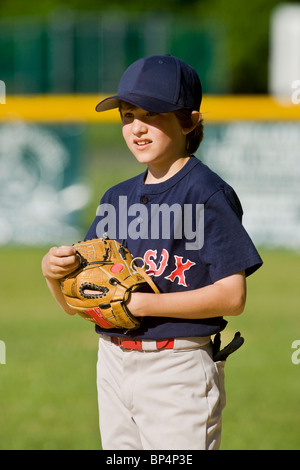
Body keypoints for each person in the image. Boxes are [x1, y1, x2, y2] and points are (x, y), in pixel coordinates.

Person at [42, 54, 263, 450]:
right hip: (112, 361)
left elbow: (233, 297)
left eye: (153, 115)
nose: (137, 129)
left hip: (176, 368)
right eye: (128, 116)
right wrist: (53, 275)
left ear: (190, 121)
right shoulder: (117, 197)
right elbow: (78, 304)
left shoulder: (206, 194)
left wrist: (139, 305)